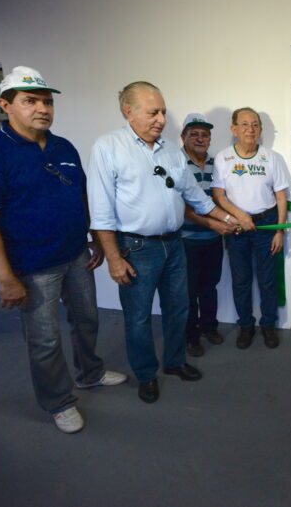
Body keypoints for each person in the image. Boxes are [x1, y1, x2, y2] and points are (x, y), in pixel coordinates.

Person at [0, 66, 126, 434]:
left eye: (47, 101)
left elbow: (80, 197)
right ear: (5, 105)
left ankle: (90, 372)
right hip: (32, 267)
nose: (42, 108)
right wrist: (5, 279)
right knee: (44, 340)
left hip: (75, 255)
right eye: (30, 101)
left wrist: (92, 240)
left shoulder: (63, 146)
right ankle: (58, 401)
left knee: (86, 319)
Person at [88, 82, 234, 404]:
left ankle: (174, 361)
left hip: (175, 244)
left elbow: (194, 195)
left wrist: (225, 218)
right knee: (138, 317)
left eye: (164, 112)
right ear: (129, 111)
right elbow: (100, 212)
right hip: (136, 249)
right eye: (153, 112)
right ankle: (145, 374)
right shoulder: (108, 147)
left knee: (178, 308)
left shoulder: (170, 150)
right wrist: (113, 259)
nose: (160, 119)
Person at [212, 107, 290, 349]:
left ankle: (268, 325)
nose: (250, 129)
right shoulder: (223, 158)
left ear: (261, 129)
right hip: (237, 228)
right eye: (244, 124)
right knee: (241, 280)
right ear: (234, 129)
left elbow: (281, 197)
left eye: (255, 124)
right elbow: (219, 195)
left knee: (267, 280)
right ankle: (246, 326)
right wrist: (240, 216)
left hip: (267, 225)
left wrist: (280, 230)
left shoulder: (272, 158)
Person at [179, 113, 233, 357]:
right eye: (194, 134)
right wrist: (214, 225)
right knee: (188, 291)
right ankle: (191, 336)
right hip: (186, 241)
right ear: (183, 137)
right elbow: (182, 206)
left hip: (213, 241)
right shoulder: (175, 164)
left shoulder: (217, 165)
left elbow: (221, 200)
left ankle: (208, 327)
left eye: (205, 134)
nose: (200, 139)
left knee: (209, 287)